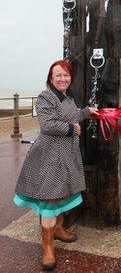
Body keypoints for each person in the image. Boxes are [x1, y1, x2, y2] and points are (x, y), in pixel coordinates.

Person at [14, 60, 98, 271]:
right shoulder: (45, 97)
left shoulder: (68, 98)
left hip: (66, 155)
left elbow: (74, 115)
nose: (62, 78)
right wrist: (72, 129)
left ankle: (59, 230)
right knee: (51, 199)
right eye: (58, 75)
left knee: (62, 194)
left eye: (66, 75)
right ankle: (48, 249)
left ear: (70, 78)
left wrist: (87, 112)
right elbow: (47, 124)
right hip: (50, 156)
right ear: (51, 78)